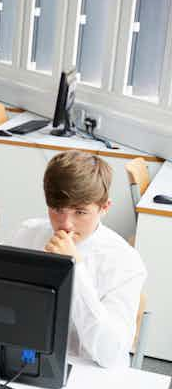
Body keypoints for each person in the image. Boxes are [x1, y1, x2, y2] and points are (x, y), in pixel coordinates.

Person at [11, 151, 146, 368]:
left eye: (80, 212)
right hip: (29, 361)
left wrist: (75, 270)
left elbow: (109, 353)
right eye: (56, 210)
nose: (66, 224)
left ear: (104, 208)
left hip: (91, 371)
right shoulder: (28, 234)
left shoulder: (124, 262)